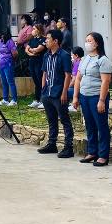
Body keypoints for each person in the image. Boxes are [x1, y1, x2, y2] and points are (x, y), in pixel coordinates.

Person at [72, 32, 112, 167]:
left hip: (96, 96)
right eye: (86, 40)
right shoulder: (84, 59)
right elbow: (78, 78)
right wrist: (76, 96)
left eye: (90, 40)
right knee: (89, 125)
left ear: (97, 43)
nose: (87, 43)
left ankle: (103, 155)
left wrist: (101, 100)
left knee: (101, 126)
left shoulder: (103, 60)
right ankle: (92, 151)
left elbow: (105, 81)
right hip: (84, 96)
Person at [37, 29, 74, 158]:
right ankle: (52, 143)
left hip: (59, 93)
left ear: (55, 41)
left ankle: (68, 147)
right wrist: (43, 89)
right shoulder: (46, 55)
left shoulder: (64, 55)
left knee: (64, 119)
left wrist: (64, 92)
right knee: (51, 120)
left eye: (48, 38)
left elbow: (68, 75)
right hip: (47, 92)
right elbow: (44, 73)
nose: (46, 41)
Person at [25, 24, 46, 108]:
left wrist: (33, 51)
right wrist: (31, 52)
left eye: (34, 29)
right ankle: (37, 99)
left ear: (38, 30)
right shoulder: (32, 39)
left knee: (41, 80)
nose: (32, 30)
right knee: (36, 81)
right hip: (32, 61)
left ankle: (42, 99)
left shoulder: (43, 39)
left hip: (39, 62)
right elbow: (27, 49)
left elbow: (38, 49)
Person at [0, 31, 18, 106]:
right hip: (1, 65)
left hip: (8, 64)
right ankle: (5, 99)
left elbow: (15, 53)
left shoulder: (10, 42)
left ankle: (14, 100)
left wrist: (11, 61)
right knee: (4, 82)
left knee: (10, 82)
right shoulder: (0, 41)